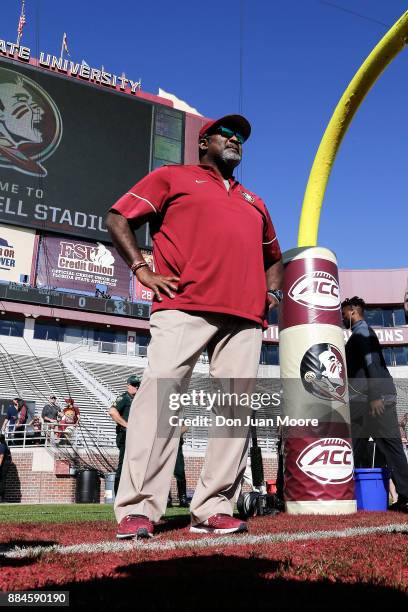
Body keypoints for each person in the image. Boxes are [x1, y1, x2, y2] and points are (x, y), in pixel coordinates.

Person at [106, 113, 283, 539]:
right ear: (203, 142)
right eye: (227, 133)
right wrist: (141, 268)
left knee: (234, 412)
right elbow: (117, 218)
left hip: (244, 317)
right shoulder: (173, 176)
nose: (235, 139)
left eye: (241, 136)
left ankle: (213, 508)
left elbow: (274, 258)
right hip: (182, 303)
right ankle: (138, 509)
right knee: (160, 401)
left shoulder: (255, 201)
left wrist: (272, 296)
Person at [341, 296, 408, 513]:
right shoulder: (359, 334)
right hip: (363, 402)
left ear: (353, 311)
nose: (342, 318)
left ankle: (406, 496)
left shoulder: (362, 333)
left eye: (343, 314)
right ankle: (350, 495)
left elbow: (373, 363)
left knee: (391, 447)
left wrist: (375, 396)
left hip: (374, 401)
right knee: (357, 447)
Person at [108, 376, 141, 495]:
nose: (136, 386)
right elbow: (112, 411)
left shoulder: (139, 399)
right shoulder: (124, 398)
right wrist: (127, 425)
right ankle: (118, 495)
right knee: (123, 465)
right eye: (134, 384)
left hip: (136, 437)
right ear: (128, 385)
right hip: (125, 435)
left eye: (137, 384)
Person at [0, 433, 11, 502]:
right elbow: (10, 458)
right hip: (5, 466)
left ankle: (1, 498)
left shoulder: (2, 446)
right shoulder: (6, 446)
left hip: (2, 467)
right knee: (2, 481)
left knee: (1, 481)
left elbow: (1, 456)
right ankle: (2, 498)